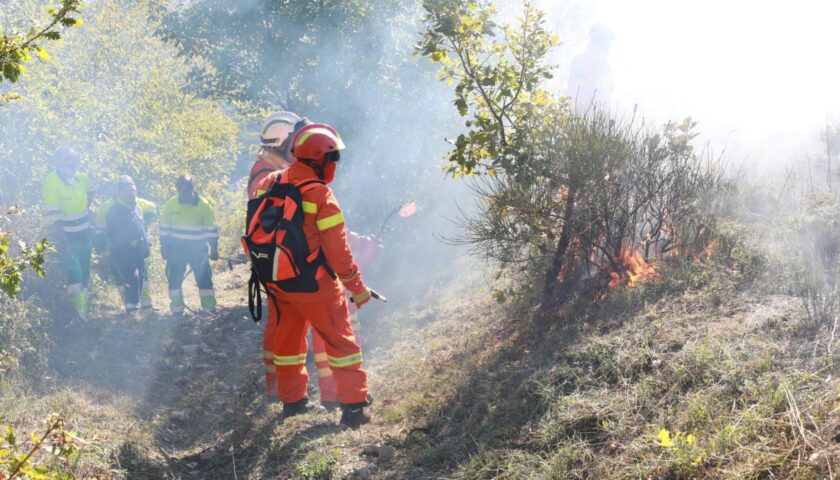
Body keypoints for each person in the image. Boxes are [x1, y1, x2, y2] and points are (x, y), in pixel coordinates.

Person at [255, 123, 373, 428]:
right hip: (315, 283)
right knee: (341, 342)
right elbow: (339, 253)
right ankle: (355, 408)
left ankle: (293, 403)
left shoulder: (270, 182)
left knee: (287, 343)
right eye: (332, 158)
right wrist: (357, 288)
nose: (334, 164)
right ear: (319, 158)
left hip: (277, 280)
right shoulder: (320, 194)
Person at [42, 147, 94, 322]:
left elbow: (90, 193)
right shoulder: (51, 181)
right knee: (74, 272)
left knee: (85, 270)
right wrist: (64, 241)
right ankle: (77, 314)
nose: (70, 164)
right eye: (65, 160)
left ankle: (83, 311)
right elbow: (53, 216)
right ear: (56, 162)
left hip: (85, 233)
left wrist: (88, 211)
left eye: (73, 160)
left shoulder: (83, 178)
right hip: (65, 236)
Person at [93, 180, 157, 311]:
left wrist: (145, 231)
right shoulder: (111, 208)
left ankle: (144, 306)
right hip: (120, 251)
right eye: (129, 191)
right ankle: (131, 309)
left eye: (134, 191)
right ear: (119, 192)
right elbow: (101, 231)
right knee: (127, 280)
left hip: (138, 250)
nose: (133, 194)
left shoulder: (136, 205)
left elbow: (149, 211)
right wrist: (102, 251)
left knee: (140, 279)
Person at [159, 175, 219, 316]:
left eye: (188, 190)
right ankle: (177, 310)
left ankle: (209, 308)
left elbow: (211, 230)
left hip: (198, 249)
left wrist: (214, 248)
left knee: (204, 278)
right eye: (182, 191)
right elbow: (164, 229)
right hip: (176, 249)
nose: (185, 194)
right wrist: (164, 247)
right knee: (174, 278)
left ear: (193, 189)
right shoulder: (170, 205)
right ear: (178, 190)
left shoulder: (204, 205)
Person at [248, 112, 310, 199]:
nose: (299, 150)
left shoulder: (275, 168)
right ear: (278, 147)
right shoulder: (265, 175)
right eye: (294, 144)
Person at [567, 24, 615, 108]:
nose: (609, 44)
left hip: (597, 113)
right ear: (600, 40)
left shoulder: (602, 62)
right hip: (587, 112)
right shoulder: (584, 60)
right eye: (607, 40)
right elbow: (579, 87)